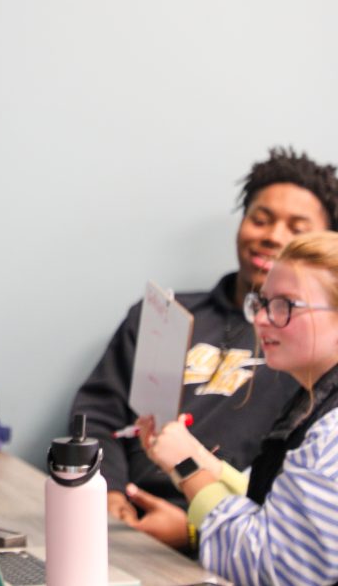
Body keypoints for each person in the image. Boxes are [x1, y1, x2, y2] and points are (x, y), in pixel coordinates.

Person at [71, 147, 338, 549]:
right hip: (119, 516)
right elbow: (99, 410)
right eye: (260, 219)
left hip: (217, 534)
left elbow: (280, 524)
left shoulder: (303, 354)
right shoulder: (165, 314)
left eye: (296, 228)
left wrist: (196, 529)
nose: (273, 236)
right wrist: (107, 490)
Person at [140, 230, 338, 584]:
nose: (261, 319)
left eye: (286, 305)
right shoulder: (315, 404)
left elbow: (270, 569)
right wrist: (200, 461)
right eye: (262, 302)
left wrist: (187, 468)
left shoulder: (331, 439)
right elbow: (275, 507)